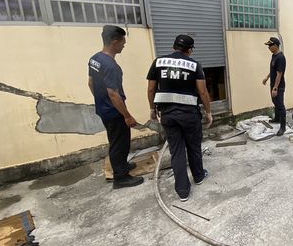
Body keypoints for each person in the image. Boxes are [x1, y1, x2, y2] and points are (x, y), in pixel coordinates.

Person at [147, 34, 213, 202]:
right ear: (189, 50)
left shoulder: (158, 62)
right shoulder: (194, 65)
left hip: (168, 115)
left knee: (176, 151)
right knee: (193, 146)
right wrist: (208, 112)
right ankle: (198, 176)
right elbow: (203, 91)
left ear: (173, 47)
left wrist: (152, 109)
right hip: (189, 115)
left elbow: (150, 89)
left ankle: (182, 191)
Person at [88, 25, 144, 189]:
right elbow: (113, 93)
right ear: (114, 42)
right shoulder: (111, 66)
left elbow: (90, 83)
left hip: (104, 109)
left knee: (115, 141)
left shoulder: (94, 59)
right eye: (122, 42)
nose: (124, 45)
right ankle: (121, 178)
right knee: (120, 143)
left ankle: (122, 166)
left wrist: (101, 100)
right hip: (114, 112)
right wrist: (127, 115)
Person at [262, 36, 287, 136]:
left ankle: (283, 127)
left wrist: (275, 88)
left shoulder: (280, 58)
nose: (268, 48)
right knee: (275, 101)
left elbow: (279, 74)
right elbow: (273, 70)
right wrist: (267, 77)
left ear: (276, 46)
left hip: (279, 86)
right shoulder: (274, 56)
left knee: (280, 105)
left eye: (270, 46)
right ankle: (277, 119)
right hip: (273, 84)